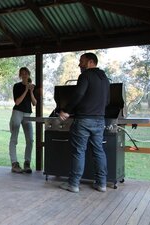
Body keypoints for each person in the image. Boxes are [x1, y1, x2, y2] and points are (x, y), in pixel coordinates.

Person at [58, 53, 110, 193]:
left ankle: (73, 184)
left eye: (82, 61)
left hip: (84, 120)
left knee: (79, 151)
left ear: (91, 62)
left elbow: (78, 95)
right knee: (99, 151)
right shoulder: (105, 79)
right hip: (100, 120)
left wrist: (67, 111)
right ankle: (102, 184)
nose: (79, 64)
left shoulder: (85, 76)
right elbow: (107, 102)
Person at [9, 67, 37, 173]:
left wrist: (31, 91)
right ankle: (14, 163)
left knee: (30, 139)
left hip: (27, 114)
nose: (24, 75)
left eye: (26, 73)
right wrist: (25, 90)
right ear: (20, 76)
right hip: (17, 112)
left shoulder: (32, 87)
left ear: (29, 74)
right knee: (14, 139)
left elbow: (34, 103)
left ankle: (27, 163)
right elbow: (17, 102)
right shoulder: (17, 86)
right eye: (22, 74)